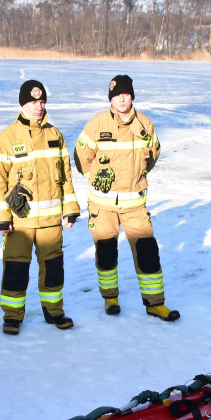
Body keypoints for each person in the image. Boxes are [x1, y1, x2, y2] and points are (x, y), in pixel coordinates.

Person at [74, 75, 179, 321]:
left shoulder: (144, 123)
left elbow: (152, 155)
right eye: (116, 95)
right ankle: (110, 298)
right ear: (111, 98)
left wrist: (135, 176)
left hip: (135, 204)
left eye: (126, 94)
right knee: (106, 251)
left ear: (132, 96)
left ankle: (155, 303)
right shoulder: (97, 123)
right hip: (103, 205)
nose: (121, 98)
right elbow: (80, 157)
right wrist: (94, 176)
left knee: (148, 251)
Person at [0, 80, 80, 335]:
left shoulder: (55, 135)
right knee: (16, 268)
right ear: (22, 104)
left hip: (51, 220)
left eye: (42, 102)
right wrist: (0, 216)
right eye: (33, 102)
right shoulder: (7, 137)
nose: (39, 107)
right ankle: (12, 316)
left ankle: (54, 311)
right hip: (20, 221)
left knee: (53, 267)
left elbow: (66, 176)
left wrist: (70, 207)